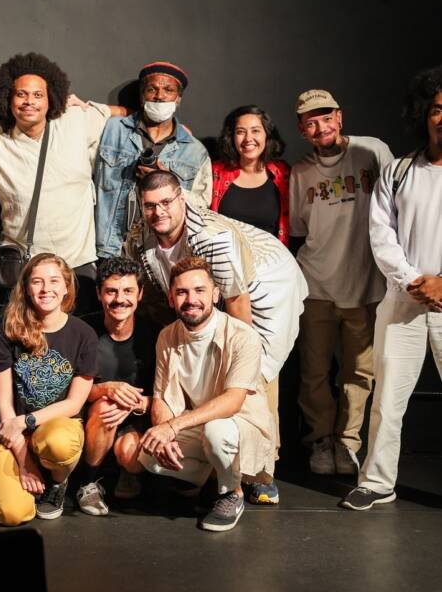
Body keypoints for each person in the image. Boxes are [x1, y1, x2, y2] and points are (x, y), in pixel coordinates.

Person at [125, 170, 307, 505]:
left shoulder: (213, 238)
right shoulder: (142, 237)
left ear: (182, 199)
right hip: (205, 289)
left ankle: (262, 472)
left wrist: (240, 353)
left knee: (255, 373)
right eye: (150, 205)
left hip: (265, 285)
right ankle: (217, 461)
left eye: (166, 202)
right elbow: (163, 298)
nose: (158, 212)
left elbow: (237, 300)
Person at [341, 66, 442, 510]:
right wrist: (414, 281)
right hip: (403, 301)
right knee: (387, 399)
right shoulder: (399, 170)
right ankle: (378, 481)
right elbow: (381, 235)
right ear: (425, 114)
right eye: (438, 109)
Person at [289, 89, 393, 475]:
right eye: (311, 122)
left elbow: (397, 205)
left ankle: (348, 443)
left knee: (359, 372)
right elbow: (300, 230)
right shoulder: (301, 172)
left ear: (340, 116)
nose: (321, 127)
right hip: (316, 285)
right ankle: (319, 441)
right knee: (314, 372)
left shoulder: (373, 152)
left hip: (365, 286)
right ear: (302, 129)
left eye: (326, 117)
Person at [139, 256, 275, 532]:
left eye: (200, 290)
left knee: (217, 431)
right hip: (198, 422)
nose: (191, 299)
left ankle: (232, 492)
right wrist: (164, 433)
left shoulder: (243, 336)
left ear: (215, 294)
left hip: (239, 425)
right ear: (171, 298)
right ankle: (214, 477)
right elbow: (162, 396)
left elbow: (232, 401)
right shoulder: (167, 336)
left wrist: (172, 426)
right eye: (182, 292)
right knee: (147, 455)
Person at [0, 53, 122, 315]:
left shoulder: (75, 120)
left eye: (38, 95)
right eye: (21, 94)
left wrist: (170, 127)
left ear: (52, 99)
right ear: (8, 98)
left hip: (77, 264)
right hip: (27, 271)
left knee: (76, 345)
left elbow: (122, 115)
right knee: (24, 348)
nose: (29, 102)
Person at [0, 253, 97, 525]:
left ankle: (58, 481)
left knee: (59, 443)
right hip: (9, 427)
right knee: (12, 514)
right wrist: (24, 461)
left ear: (67, 287)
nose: (46, 289)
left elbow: (73, 404)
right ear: (25, 288)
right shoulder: (7, 331)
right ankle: (33, 472)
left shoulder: (84, 335)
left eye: (54, 281)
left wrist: (29, 420)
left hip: (56, 424)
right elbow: (4, 406)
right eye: (37, 282)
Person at [96, 60, 211, 259]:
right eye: (152, 89)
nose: (159, 96)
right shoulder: (112, 130)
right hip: (109, 250)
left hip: (161, 257)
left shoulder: (194, 151)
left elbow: (202, 208)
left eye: (168, 90)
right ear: (142, 97)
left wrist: (167, 182)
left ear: (178, 99)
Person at [77, 257, 156, 516]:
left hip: (138, 418)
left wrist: (134, 404)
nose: (119, 299)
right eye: (111, 291)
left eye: (127, 291)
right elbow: (65, 391)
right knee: (104, 404)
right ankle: (87, 482)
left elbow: (170, 395)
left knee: (130, 455)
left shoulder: (156, 336)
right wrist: (106, 389)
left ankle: (127, 471)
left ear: (140, 294)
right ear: (99, 293)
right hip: (92, 416)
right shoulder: (83, 330)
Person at [211, 105, 291, 244]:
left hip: (273, 261)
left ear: (267, 135)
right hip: (226, 262)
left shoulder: (283, 173)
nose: (248, 138)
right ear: (231, 137)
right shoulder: (216, 172)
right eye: (241, 132)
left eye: (256, 131)